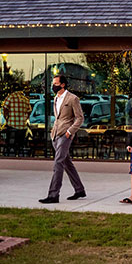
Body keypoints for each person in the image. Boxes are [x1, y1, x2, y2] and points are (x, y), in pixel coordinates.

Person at [40, 75, 86, 204]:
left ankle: (53, 194)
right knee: (66, 163)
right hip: (56, 134)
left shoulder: (72, 98)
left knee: (58, 163)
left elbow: (80, 118)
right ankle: (79, 189)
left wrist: (70, 131)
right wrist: (53, 132)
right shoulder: (56, 98)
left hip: (65, 135)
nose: (53, 86)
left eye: (56, 83)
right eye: (53, 83)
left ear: (63, 84)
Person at [1, 90, 32, 155]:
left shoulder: (10, 97)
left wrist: (6, 118)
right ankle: (20, 152)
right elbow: (29, 111)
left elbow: (5, 108)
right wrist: (26, 118)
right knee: (21, 143)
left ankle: (11, 152)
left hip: (12, 124)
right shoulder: (25, 99)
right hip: (22, 126)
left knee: (10, 142)